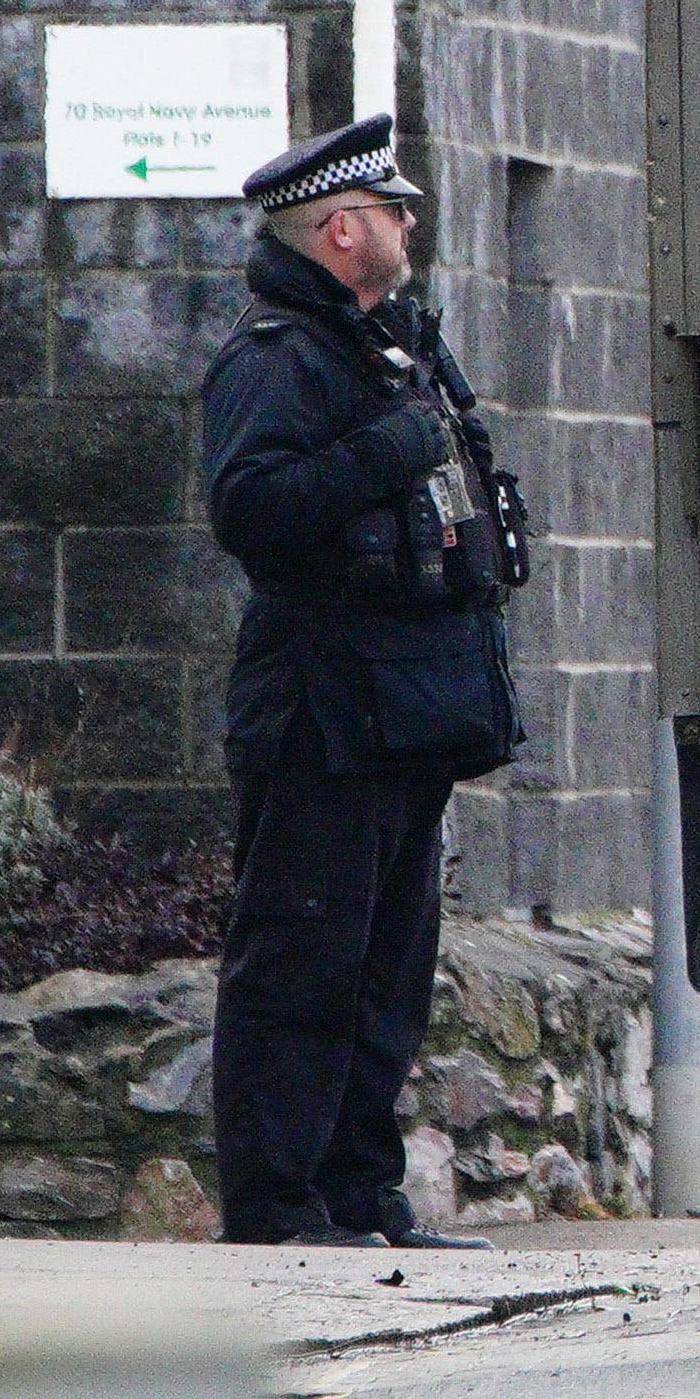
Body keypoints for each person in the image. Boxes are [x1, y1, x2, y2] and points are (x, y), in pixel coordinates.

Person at [201, 113, 529, 1247]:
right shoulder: (277, 357)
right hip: (321, 717)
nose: (406, 221)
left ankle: (359, 1197)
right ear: (341, 228)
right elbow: (251, 509)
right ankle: (279, 1208)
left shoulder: (383, 340)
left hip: (400, 716)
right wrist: (387, 452)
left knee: (384, 973)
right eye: (392, 208)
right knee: (301, 965)